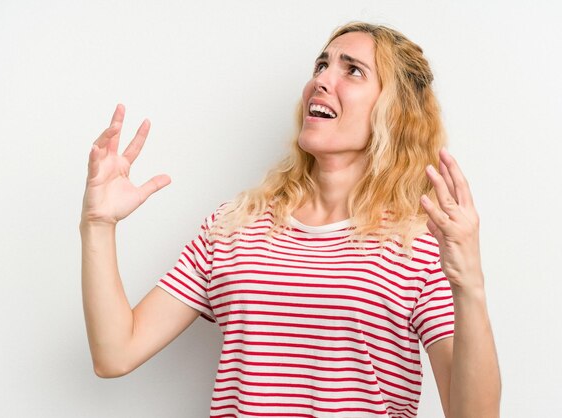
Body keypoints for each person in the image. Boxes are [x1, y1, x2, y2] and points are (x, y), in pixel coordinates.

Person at [80, 22, 501, 418]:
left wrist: (470, 282)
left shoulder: (421, 244)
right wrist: (98, 223)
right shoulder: (233, 226)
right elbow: (116, 353)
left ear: (395, 112)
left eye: (352, 70)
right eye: (322, 64)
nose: (321, 79)